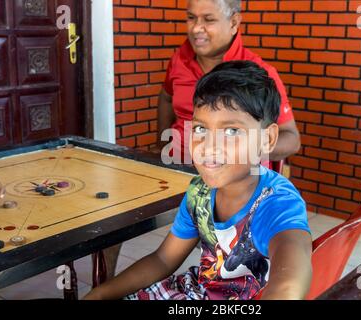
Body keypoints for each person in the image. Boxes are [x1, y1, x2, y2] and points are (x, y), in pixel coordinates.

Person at [84, 61, 312, 300]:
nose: (208, 146)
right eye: (201, 129)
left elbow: (290, 281)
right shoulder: (199, 193)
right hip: (195, 292)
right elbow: (163, 259)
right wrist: (99, 295)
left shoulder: (276, 202)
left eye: (231, 131)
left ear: (268, 139)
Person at [156, 0, 301, 165]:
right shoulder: (178, 60)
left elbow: (291, 138)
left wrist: (239, 152)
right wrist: (161, 146)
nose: (196, 28)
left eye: (208, 19)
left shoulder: (259, 73)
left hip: (235, 183)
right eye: (191, 18)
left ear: (233, 22)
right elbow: (166, 97)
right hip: (178, 169)